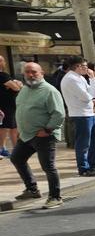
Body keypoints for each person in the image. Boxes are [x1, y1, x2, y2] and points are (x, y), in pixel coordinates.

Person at [11, 62, 65, 208]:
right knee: (16, 158)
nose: (31, 74)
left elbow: (59, 114)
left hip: (44, 136)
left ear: (41, 73)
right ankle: (32, 189)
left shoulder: (49, 90)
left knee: (48, 166)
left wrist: (47, 130)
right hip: (26, 135)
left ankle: (55, 196)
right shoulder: (25, 90)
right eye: (27, 72)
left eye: (34, 72)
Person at [60, 56, 95, 176]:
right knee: (83, 143)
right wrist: (91, 85)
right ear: (78, 66)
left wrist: (92, 79)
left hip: (89, 112)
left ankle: (92, 163)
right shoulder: (71, 79)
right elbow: (86, 97)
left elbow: (92, 93)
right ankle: (83, 168)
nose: (87, 69)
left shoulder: (80, 77)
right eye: (85, 66)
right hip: (80, 114)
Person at [0, 55, 21, 158]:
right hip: (6, 106)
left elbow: (16, 85)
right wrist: (15, 84)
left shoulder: (4, 76)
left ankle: (14, 148)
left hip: (7, 105)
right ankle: (3, 149)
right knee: (6, 127)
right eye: (3, 60)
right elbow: (17, 87)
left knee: (11, 127)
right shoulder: (3, 75)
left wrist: (15, 84)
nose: (4, 63)